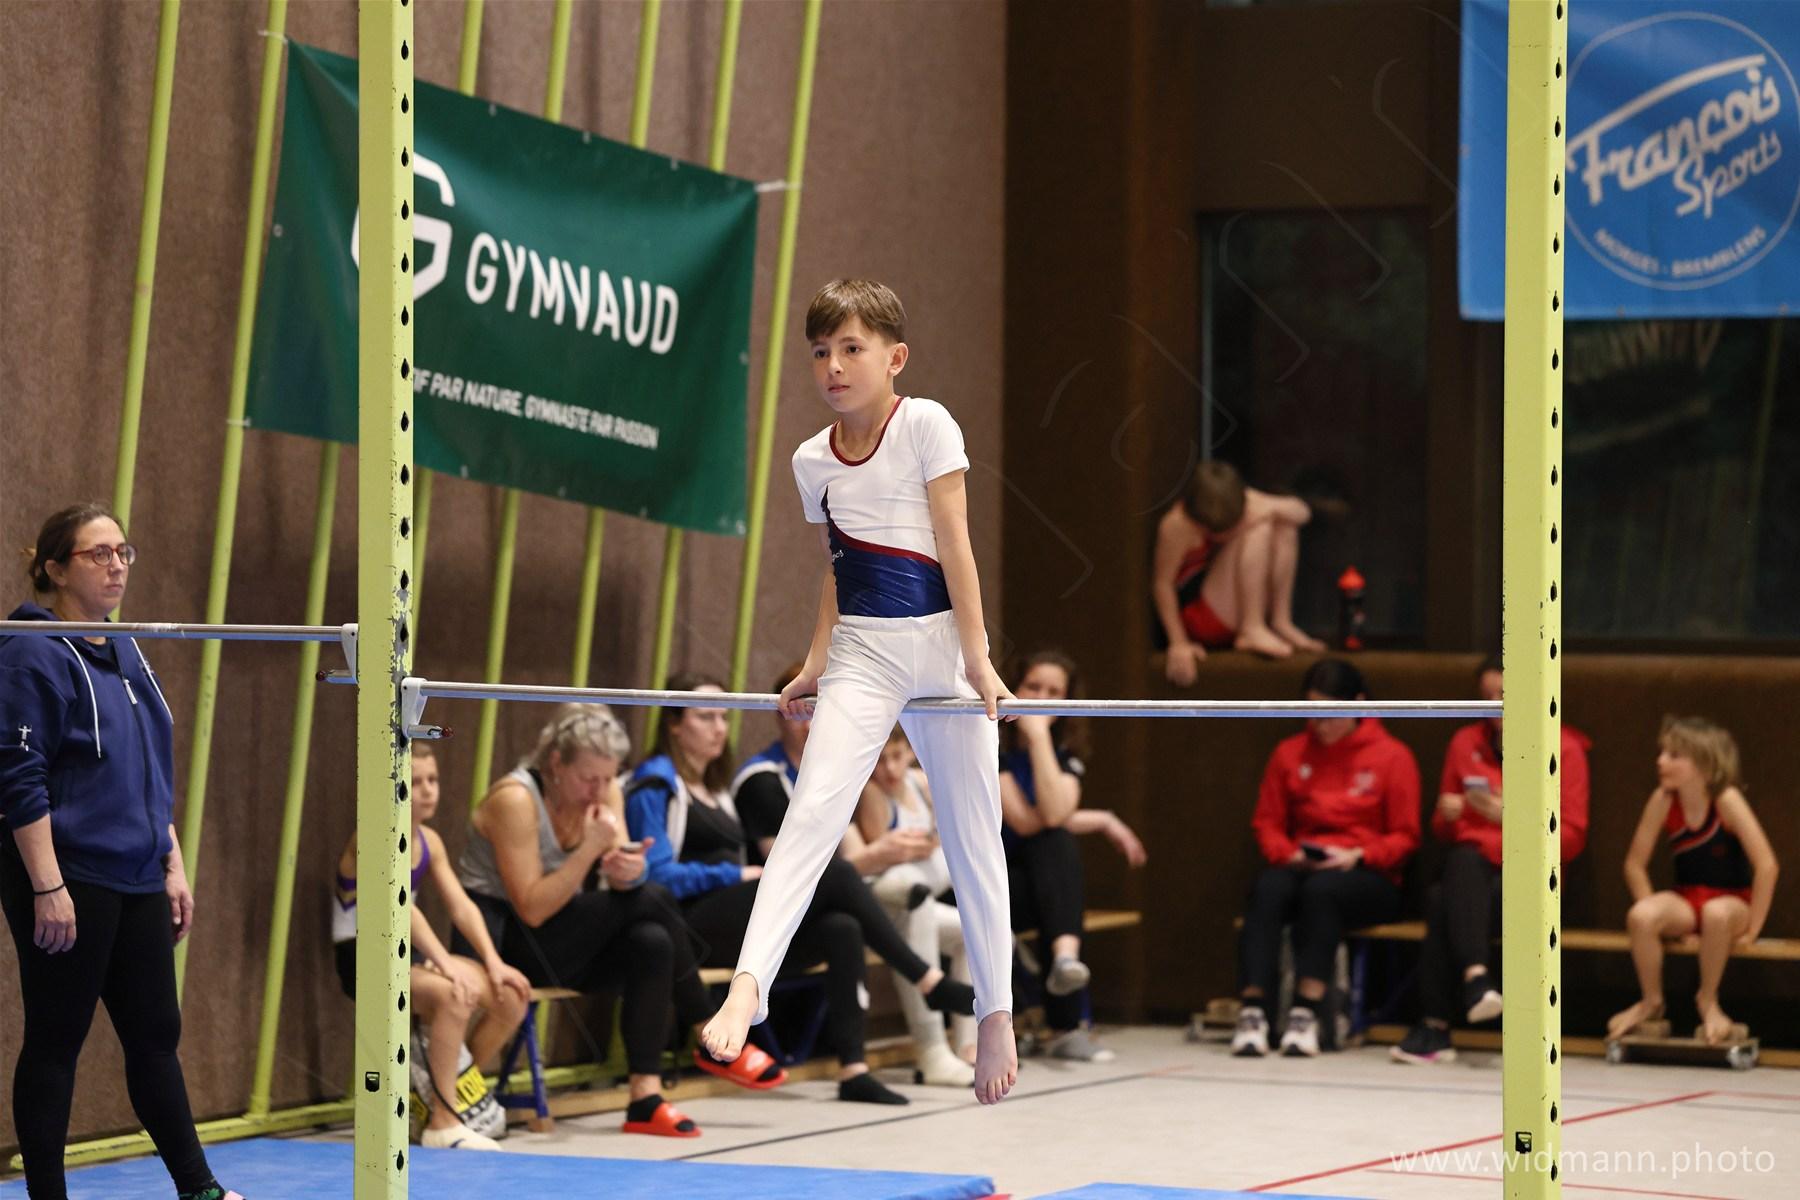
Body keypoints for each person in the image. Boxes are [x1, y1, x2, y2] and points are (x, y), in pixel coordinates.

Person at [698, 278, 1019, 1105]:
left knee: (974, 836)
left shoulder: (928, 425)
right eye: (820, 352)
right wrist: (814, 663)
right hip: (865, 656)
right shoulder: (811, 460)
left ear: (894, 356)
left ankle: (995, 1011)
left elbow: (956, 544)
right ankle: (748, 987)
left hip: (944, 651)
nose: (834, 367)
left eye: (851, 349)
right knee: (811, 816)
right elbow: (838, 569)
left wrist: (978, 660)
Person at [0, 503, 245, 1200]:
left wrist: (172, 862)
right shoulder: (31, 651)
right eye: (98, 554)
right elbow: (18, 777)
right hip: (69, 876)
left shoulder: (126, 647)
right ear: (55, 570)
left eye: (123, 552)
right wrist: (47, 887)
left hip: (137, 874)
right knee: (57, 1039)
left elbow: (146, 767)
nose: (116, 566)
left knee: (155, 1036)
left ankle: (199, 1189)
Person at [628, 674, 976, 1105]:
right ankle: (925, 978)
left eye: (722, 716)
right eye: (705, 717)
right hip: (688, 927)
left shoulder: (715, 787)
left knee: (842, 926)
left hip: (736, 917)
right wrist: (734, 875)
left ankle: (853, 1069)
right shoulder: (658, 783)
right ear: (674, 725)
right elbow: (657, 876)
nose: (719, 727)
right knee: (833, 873)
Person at [458, 703, 778, 1140]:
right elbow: (531, 907)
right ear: (556, 764)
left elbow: (628, 879)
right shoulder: (515, 800)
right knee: (654, 899)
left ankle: (645, 1098)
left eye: (608, 779)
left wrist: (630, 869)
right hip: (503, 943)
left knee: (651, 940)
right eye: (588, 779)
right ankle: (704, 1021)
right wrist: (591, 850)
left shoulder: (604, 790)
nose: (600, 790)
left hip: (562, 937)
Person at [1391, 656, 1590, 1065]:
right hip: (1473, 873)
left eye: (1502, 695)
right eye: (1485, 697)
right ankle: (1476, 980)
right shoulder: (1465, 743)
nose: (1493, 706)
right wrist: (1448, 815)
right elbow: (1443, 831)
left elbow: (1569, 840)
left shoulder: (1564, 749)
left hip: (1532, 879)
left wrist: (1506, 816)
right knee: (1459, 870)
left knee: (1445, 897)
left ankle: (1436, 1024)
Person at [332, 742, 530, 1148]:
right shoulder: (373, 835)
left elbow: (461, 907)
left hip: (407, 954)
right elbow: (400, 907)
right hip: (364, 957)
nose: (427, 790)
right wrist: (446, 963)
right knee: (454, 995)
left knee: (511, 995)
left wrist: (493, 961)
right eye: (416, 781)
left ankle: (448, 1092)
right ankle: (443, 1122)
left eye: (433, 780)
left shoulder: (430, 841)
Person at [1232, 658, 1420, 1058]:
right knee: (1267, 888)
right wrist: (1289, 853)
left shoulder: (1392, 756)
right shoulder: (1289, 753)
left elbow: (1405, 836)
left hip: (1368, 874)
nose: (1320, 724)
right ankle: (1253, 1011)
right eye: (1311, 711)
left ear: (1358, 704)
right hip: (1303, 862)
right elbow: (1267, 822)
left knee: (1323, 892)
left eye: (1330, 713)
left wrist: (1358, 855)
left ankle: (1306, 1012)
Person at [999, 650, 1147, 1063]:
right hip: (989, 878)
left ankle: (1065, 967)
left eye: (1054, 692)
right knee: (1054, 843)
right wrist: (1101, 819)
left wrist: (1042, 743)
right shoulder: (990, 742)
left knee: (1056, 852)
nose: (1041, 699)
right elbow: (1029, 821)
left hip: (1035, 884)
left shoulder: (1067, 753)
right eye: (1032, 687)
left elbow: (1055, 815)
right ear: (1014, 687)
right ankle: (1066, 1017)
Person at [1606, 717, 1779, 1046]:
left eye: (1673, 755)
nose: (1661, 761)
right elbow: (1634, 864)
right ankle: (1652, 1001)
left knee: (1716, 913)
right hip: (1687, 899)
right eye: (1661, 753)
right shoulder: (1663, 800)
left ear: (1704, 764)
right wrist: (1655, 913)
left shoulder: (1726, 800)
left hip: (1733, 902)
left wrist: (1754, 928)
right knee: (1641, 916)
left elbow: (1767, 865)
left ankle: (1708, 999)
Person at [850, 725, 977, 1086]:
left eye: (896, 757)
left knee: (971, 934)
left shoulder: (921, 782)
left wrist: (933, 841)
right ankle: (931, 1048)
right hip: (882, 902)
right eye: (880, 760)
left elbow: (947, 831)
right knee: (913, 894)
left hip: (918, 890)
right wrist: (928, 845)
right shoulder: (871, 792)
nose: (890, 769)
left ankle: (969, 1045)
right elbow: (885, 861)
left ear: (909, 751)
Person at [1152, 459, 1325, 685]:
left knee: (1283, 523)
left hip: (1229, 602)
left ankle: (1281, 620)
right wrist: (1178, 642)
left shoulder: (1238, 498)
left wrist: (1269, 508)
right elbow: (1162, 584)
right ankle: (1252, 628)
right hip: (1199, 615)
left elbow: (1302, 513)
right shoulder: (1176, 525)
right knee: (1260, 528)